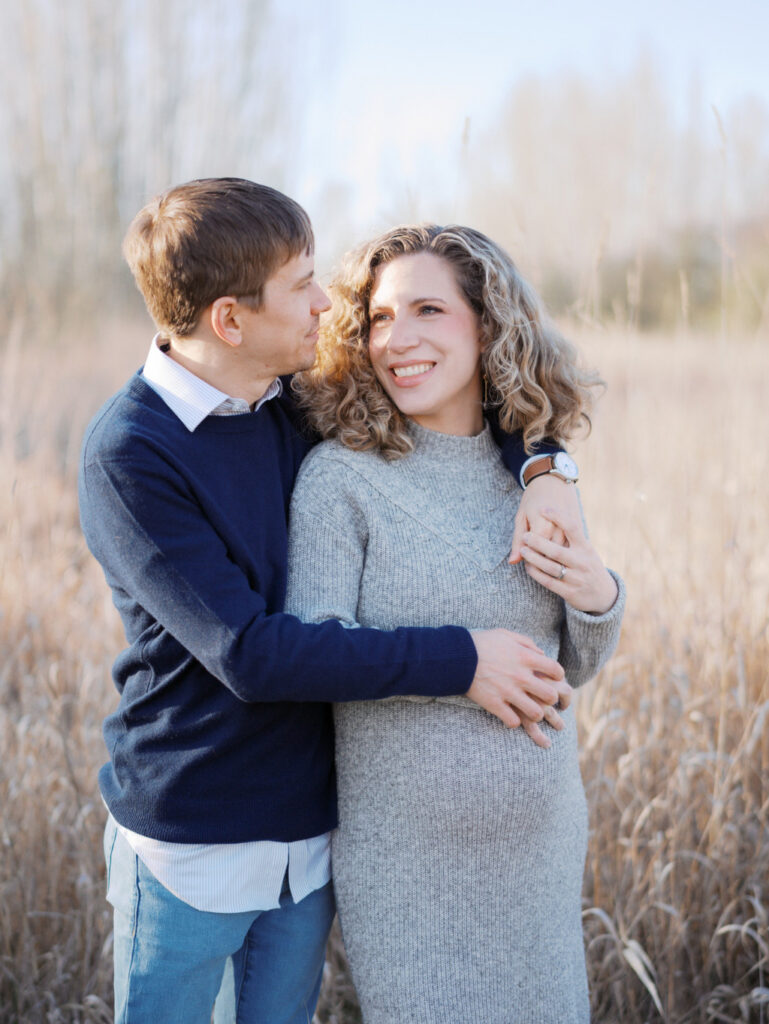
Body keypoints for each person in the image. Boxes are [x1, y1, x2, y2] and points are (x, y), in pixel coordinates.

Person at [77, 179, 585, 1024]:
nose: (326, 305)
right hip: (190, 841)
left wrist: (546, 468)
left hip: (306, 838)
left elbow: (475, 389)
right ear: (230, 322)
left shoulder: (292, 404)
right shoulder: (131, 455)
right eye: (301, 285)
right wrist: (461, 660)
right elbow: (249, 652)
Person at [286, 223, 626, 1023]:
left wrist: (599, 596)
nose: (396, 340)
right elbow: (313, 650)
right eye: (377, 318)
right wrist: (461, 667)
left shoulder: (535, 475)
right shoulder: (342, 480)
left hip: (536, 855)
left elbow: (573, 660)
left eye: (427, 311)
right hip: (407, 864)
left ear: (488, 324)